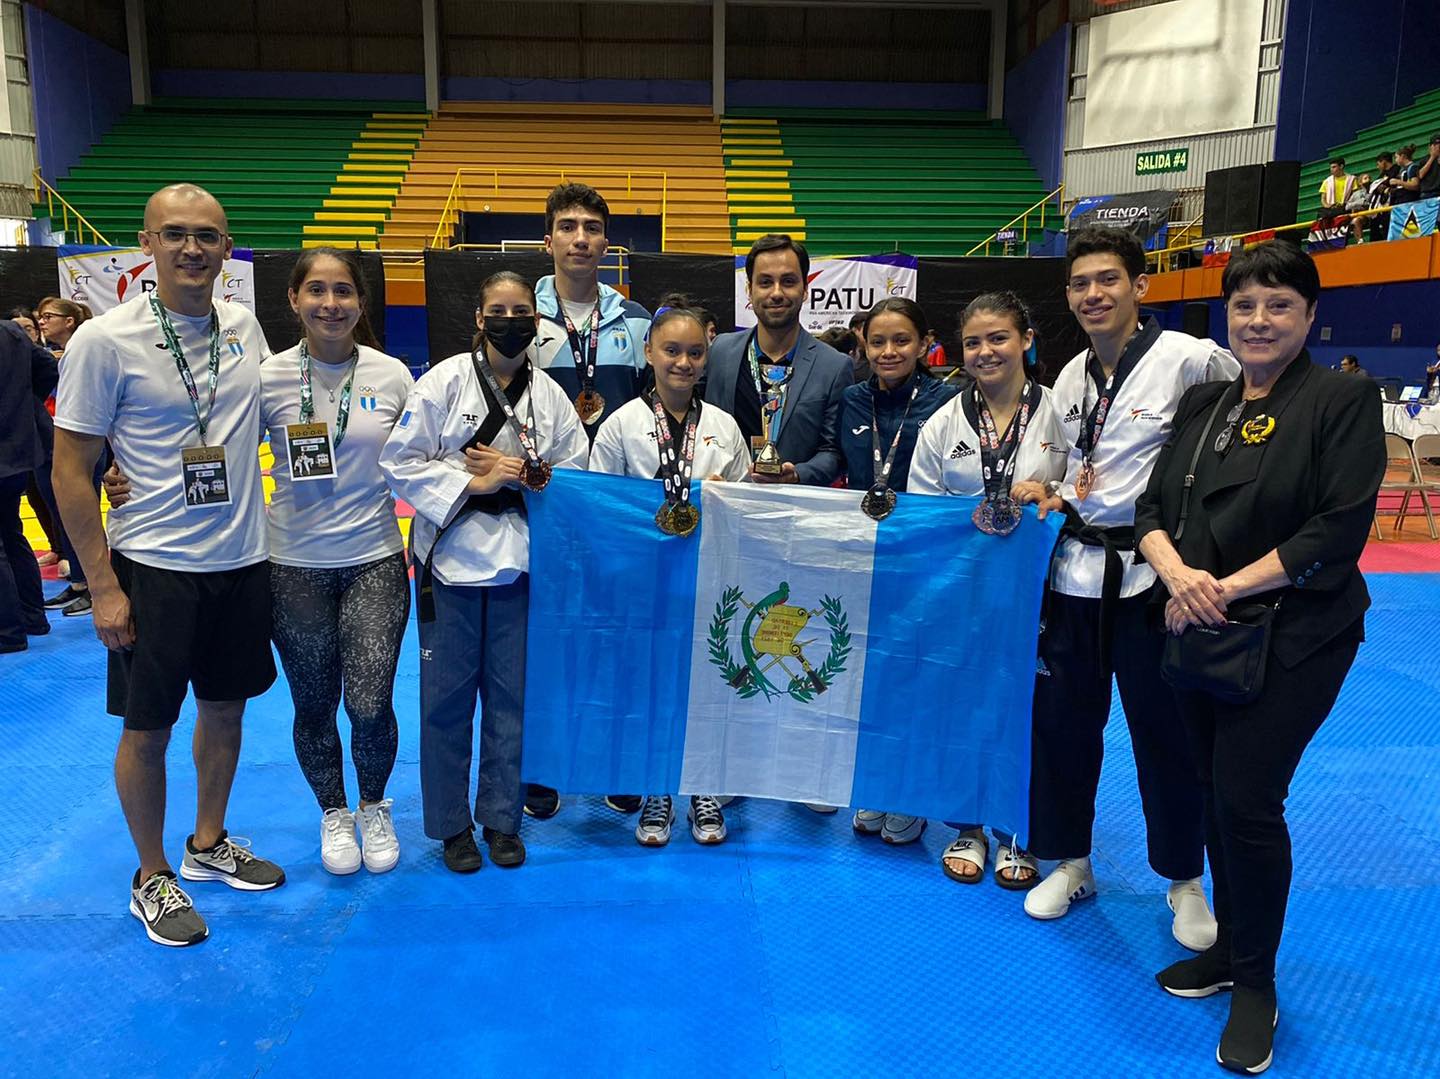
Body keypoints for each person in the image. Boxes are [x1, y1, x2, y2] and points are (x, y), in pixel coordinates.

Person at [1135, 242, 1384, 1075]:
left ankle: (1256, 983)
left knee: (1246, 799)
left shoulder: (1342, 399)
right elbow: (1151, 504)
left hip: (1298, 632)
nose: (1259, 319)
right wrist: (1177, 574)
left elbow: (1337, 529)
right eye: (1244, 305)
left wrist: (1222, 586)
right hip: (1202, 625)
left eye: (1279, 304)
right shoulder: (1206, 401)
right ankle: (1227, 950)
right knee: (1208, 790)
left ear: (1310, 316)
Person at [51, 183, 285, 948]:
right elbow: (70, 470)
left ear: (227, 248)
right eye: (175, 234)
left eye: (208, 236)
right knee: (147, 726)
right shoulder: (104, 340)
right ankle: (152, 874)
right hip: (152, 565)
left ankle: (207, 841)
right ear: (145, 243)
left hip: (243, 560)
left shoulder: (245, 327)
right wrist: (103, 584)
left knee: (227, 709)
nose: (193, 247)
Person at [1013, 226, 1238, 947]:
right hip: (1076, 575)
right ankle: (1071, 860)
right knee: (1063, 727)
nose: (1092, 294)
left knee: (1164, 731)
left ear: (1142, 286)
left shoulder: (1191, 359)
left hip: (1153, 581)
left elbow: (1243, 434)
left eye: (1108, 279)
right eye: (1080, 283)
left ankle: (1184, 878)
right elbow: (1064, 467)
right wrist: (1040, 490)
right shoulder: (1072, 376)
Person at [380, 271, 588, 873]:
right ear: (479, 317)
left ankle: (502, 820)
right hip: (449, 561)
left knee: (512, 702)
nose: (510, 319)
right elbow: (399, 461)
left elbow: (574, 478)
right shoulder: (442, 381)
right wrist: (473, 481)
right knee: (446, 703)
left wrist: (520, 472)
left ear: (536, 321)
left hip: (522, 564)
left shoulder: (549, 396)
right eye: (498, 309)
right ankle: (450, 828)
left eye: (521, 310)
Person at [259, 248, 415, 875]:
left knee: (372, 702)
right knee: (314, 704)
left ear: (361, 303)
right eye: (317, 291)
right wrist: (127, 477)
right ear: (294, 300)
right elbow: (218, 454)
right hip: (291, 563)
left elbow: (432, 453)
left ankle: (375, 804)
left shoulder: (392, 374)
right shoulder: (266, 377)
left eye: (344, 291)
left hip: (375, 557)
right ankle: (334, 811)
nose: (331, 303)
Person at [910, 292, 1070, 885]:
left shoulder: (1061, 413)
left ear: (1026, 339)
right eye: (973, 342)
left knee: (1029, 710)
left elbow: (1085, 486)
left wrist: (1053, 497)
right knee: (963, 705)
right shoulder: (942, 423)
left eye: (998, 337)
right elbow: (922, 513)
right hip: (965, 593)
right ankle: (967, 827)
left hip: (1042, 590)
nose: (985, 352)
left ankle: (1017, 831)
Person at [704, 232, 853, 813]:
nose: (776, 291)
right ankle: (732, 764)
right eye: (764, 281)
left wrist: (796, 476)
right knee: (730, 642)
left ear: (805, 286)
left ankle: (804, 770)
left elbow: (836, 452)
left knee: (803, 644)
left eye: (788, 280)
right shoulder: (717, 355)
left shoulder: (835, 365)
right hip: (728, 528)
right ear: (749, 288)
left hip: (798, 527)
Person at [590, 307, 751, 846]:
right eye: (671, 351)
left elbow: (745, 504)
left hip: (708, 582)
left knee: (708, 687)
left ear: (707, 356)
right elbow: (601, 506)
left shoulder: (724, 427)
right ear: (649, 353)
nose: (683, 362)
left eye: (695, 352)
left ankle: (704, 788)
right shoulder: (620, 425)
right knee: (651, 687)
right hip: (643, 583)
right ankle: (657, 789)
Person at [529, 182, 651, 820]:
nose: (581, 238)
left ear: (609, 242)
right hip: (544, 508)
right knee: (546, 641)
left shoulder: (637, 321)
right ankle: (543, 769)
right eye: (568, 226)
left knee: (620, 640)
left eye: (593, 228)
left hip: (619, 512)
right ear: (548, 238)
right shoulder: (523, 315)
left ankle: (619, 762)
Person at [838, 297, 959, 844]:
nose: (889, 352)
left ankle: (910, 793)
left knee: (917, 677)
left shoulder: (948, 401)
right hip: (863, 560)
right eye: (878, 341)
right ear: (863, 343)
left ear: (923, 343)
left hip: (924, 560)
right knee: (870, 677)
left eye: (901, 341)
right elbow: (835, 465)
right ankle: (877, 783)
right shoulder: (851, 400)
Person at [35, 297, 98, 616]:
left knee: (80, 507)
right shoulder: (56, 355)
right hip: (56, 438)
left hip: (84, 441)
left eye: (48, 316)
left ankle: (93, 586)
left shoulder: (85, 350)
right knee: (62, 510)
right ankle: (77, 581)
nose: (42, 322)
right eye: (39, 317)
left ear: (70, 321)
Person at [0, 320, 58, 654]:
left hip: (13, 446)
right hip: (17, 449)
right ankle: (33, 618)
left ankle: (8, 631)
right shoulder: (10, 332)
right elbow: (48, 367)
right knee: (12, 533)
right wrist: (24, 405)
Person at [1367, 154, 1395, 242]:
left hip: (1390, 203)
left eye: (1378, 164)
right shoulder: (1382, 174)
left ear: (1383, 162)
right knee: (1374, 224)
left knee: (1387, 225)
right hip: (1379, 205)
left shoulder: (1396, 169)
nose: (1377, 166)